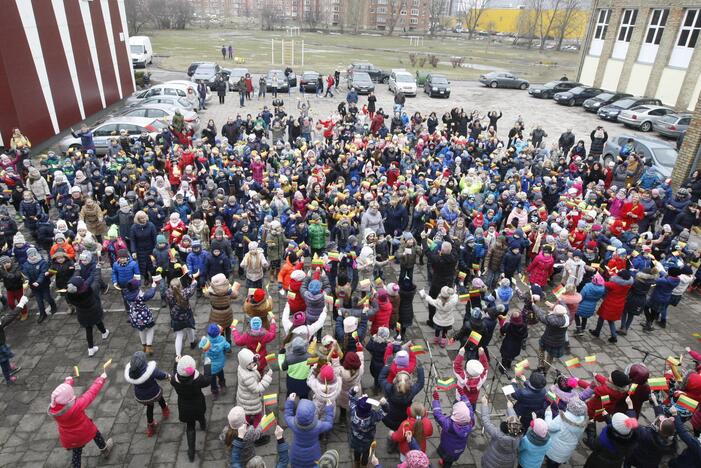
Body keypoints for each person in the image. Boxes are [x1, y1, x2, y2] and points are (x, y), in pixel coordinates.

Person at [49, 373, 114, 467]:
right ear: (69, 399)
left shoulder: (53, 409)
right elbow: (91, 393)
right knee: (96, 434)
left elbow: (62, 393)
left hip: (69, 437)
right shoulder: (77, 406)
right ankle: (105, 450)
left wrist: (68, 382)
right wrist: (100, 379)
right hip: (85, 430)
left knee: (76, 454)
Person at [170, 355, 211, 462]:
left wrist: (176, 363)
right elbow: (207, 380)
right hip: (198, 404)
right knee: (201, 416)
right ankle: (203, 425)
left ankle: (191, 452)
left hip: (185, 407)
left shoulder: (174, 380)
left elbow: (174, 374)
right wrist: (207, 365)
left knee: (190, 426)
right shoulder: (198, 380)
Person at [123, 351, 171, 437]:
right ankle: (165, 410)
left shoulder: (131, 372)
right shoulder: (149, 370)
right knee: (160, 399)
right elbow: (161, 375)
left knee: (150, 407)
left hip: (141, 396)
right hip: (154, 393)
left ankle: (150, 426)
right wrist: (167, 376)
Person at [65, 276, 109, 357]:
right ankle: (104, 333)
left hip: (82, 313)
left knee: (88, 329)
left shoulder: (70, 295)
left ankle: (91, 349)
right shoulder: (87, 290)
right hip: (93, 310)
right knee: (98, 321)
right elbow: (93, 280)